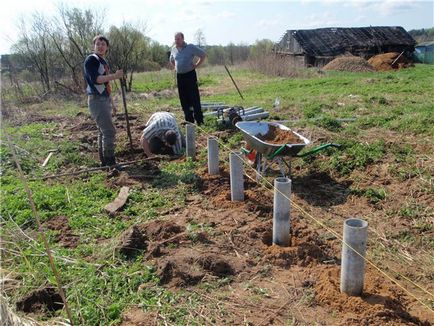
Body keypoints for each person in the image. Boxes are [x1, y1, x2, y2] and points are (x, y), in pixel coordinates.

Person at [83, 35, 123, 166]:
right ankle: (110, 162)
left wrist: (112, 103)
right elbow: (98, 79)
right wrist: (115, 76)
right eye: (98, 44)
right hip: (97, 100)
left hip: (103, 99)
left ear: (107, 48)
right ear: (93, 46)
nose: (100, 46)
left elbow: (106, 86)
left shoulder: (102, 61)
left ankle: (104, 162)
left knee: (103, 131)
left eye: (103, 44)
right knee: (109, 131)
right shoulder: (91, 60)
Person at [170, 32, 207, 125]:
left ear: (183, 39)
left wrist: (196, 65)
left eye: (178, 39)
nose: (176, 41)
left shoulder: (190, 47)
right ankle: (189, 120)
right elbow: (171, 60)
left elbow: (203, 55)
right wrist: (177, 67)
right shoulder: (173, 49)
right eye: (175, 39)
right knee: (183, 99)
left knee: (194, 98)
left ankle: (199, 120)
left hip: (190, 75)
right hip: (180, 77)